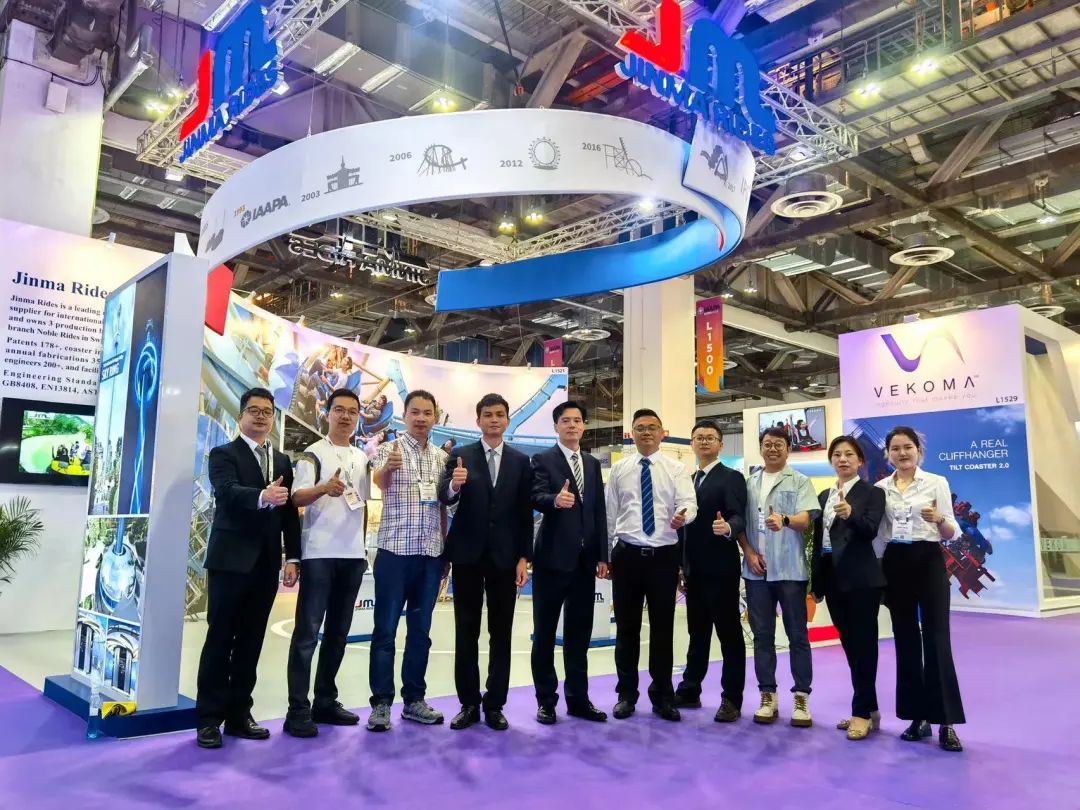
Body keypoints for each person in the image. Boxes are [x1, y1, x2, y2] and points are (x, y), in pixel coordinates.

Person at [195, 387, 301, 749]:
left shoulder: (282, 461)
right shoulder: (223, 454)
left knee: (251, 642)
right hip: (229, 562)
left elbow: (288, 512)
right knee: (220, 639)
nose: (260, 417)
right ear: (241, 416)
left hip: (266, 564)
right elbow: (225, 492)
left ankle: (240, 715)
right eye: (253, 410)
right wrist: (261, 496)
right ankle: (209, 719)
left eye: (267, 411)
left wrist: (293, 557)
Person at [437, 393, 533, 731]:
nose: (494, 420)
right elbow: (443, 495)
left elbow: (524, 513)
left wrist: (524, 557)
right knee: (466, 631)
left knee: (501, 633)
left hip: (505, 559)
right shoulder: (460, 455)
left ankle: (495, 704)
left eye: (499, 414)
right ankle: (468, 703)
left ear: (507, 420)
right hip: (467, 556)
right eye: (488, 415)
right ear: (478, 420)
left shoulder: (521, 461)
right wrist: (454, 485)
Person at [283, 388, 370, 738]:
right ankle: (297, 709)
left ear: (358, 417)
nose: (345, 416)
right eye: (339, 410)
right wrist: (323, 488)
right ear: (328, 414)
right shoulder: (313, 454)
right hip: (319, 553)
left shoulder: (362, 457)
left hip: (352, 556)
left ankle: (325, 700)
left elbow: (363, 504)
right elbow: (295, 498)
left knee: (338, 634)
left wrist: (362, 550)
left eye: (352, 411)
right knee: (307, 634)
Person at [876, 426, 965, 752]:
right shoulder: (881, 488)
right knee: (905, 640)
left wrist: (939, 519)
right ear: (888, 454)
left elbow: (952, 533)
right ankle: (918, 717)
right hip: (896, 562)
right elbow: (880, 536)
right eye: (895, 448)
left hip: (928, 559)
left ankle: (946, 722)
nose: (902, 453)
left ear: (918, 451)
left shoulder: (936, 482)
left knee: (937, 638)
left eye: (908, 447)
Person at [606, 409, 696, 722]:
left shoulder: (676, 469)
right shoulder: (619, 470)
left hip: (663, 557)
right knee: (626, 630)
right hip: (627, 556)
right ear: (632, 433)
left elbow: (690, 503)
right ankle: (626, 695)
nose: (646, 432)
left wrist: (684, 515)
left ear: (662, 433)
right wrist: (605, 556)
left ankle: (663, 696)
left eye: (652, 427)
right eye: (640, 428)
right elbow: (609, 514)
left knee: (662, 630)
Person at [366, 389, 449, 732]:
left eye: (427, 412)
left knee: (421, 633)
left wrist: (444, 551)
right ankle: (381, 704)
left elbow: (442, 506)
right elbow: (379, 482)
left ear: (435, 417)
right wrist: (387, 469)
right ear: (404, 415)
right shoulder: (389, 449)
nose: (421, 418)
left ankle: (414, 699)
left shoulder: (442, 459)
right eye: (415, 412)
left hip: (430, 556)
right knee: (385, 631)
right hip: (394, 554)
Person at [530, 400, 609, 725]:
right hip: (551, 561)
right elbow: (534, 496)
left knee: (579, 635)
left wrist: (602, 555)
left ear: (584, 426)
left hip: (584, 564)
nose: (572, 425)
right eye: (566, 421)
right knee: (545, 634)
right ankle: (546, 702)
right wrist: (554, 500)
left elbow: (598, 511)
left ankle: (578, 700)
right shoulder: (543, 460)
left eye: (577, 420)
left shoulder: (591, 463)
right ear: (556, 426)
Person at [741, 427, 820, 727]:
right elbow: (740, 524)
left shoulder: (799, 480)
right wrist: (749, 552)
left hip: (789, 570)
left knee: (797, 635)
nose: (772, 449)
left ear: (788, 449)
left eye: (778, 444)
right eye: (767, 444)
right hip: (756, 571)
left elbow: (806, 518)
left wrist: (785, 520)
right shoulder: (749, 483)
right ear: (761, 448)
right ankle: (767, 696)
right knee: (762, 636)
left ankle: (801, 697)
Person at [810, 436, 886, 741]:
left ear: (860, 461)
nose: (843, 459)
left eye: (849, 454)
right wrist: (816, 581)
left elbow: (870, 530)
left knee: (864, 645)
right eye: (837, 455)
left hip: (861, 578)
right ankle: (870, 707)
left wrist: (850, 514)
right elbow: (818, 541)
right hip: (831, 577)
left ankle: (861, 712)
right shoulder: (824, 495)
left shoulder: (872, 493)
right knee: (850, 645)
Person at [675, 419, 748, 722]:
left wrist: (728, 527)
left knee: (729, 633)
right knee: (697, 632)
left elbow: (739, 516)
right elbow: (682, 528)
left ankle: (731, 698)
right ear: (691, 443)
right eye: (699, 437)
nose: (704, 442)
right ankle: (690, 688)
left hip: (721, 569)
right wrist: (680, 566)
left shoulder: (731, 477)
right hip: (693, 571)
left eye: (710, 437)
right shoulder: (689, 480)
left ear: (720, 444)